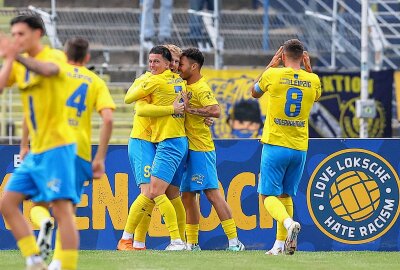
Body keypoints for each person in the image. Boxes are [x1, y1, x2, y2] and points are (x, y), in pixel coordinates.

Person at [25, 37, 115, 269]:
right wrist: (100, 158)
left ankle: (44, 222)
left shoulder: (55, 73)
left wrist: (25, 145)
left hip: (49, 147)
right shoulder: (95, 81)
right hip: (79, 152)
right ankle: (58, 263)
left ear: (64, 55)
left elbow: (33, 105)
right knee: (67, 214)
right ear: (86, 58)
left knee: (39, 206)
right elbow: (108, 118)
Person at [0, 15, 79, 269]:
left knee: (62, 210)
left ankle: (64, 265)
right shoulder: (19, 64)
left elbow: (50, 71)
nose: (16, 39)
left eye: (21, 34)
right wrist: (10, 58)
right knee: (8, 203)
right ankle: (34, 260)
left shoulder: (52, 55)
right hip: (36, 151)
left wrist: (17, 56)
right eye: (13, 35)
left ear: (38, 34)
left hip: (58, 147)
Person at [250, 39, 321, 255]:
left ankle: (289, 224)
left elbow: (254, 92)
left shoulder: (273, 74)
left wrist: (270, 65)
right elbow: (316, 96)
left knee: (266, 196)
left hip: (275, 145)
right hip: (299, 147)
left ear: (282, 56)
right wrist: (308, 69)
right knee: (286, 196)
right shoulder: (313, 79)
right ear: (303, 57)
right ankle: (279, 245)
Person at [117, 44, 186, 251]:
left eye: (177, 62)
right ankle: (133, 241)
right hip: (142, 140)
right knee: (151, 192)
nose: (174, 65)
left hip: (162, 141)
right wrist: (171, 109)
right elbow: (139, 107)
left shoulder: (173, 82)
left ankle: (138, 242)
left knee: (168, 194)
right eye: (172, 61)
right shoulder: (148, 80)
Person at [179, 47, 245, 251]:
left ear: (194, 66)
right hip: (188, 149)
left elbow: (215, 110)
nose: (178, 68)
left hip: (201, 148)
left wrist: (192, 110)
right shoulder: (184, 84)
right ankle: (192, 244)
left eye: (181, 64)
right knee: (188, 196)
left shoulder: (201, 87)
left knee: (212, 194)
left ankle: (235, 242)